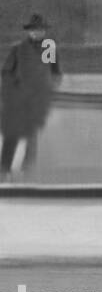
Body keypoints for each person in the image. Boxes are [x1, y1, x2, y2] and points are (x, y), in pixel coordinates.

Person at [1, 14, 63, 179]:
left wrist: (50, 88)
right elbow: (6, 72)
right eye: (34, 30)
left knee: (31, 136)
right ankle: (3, 169)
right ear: (29, 31)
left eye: (40, 30)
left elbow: (53, 72)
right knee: (12, 133)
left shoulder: (48, 48)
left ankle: (27, 170)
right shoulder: (18, 49)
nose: (37, 33)